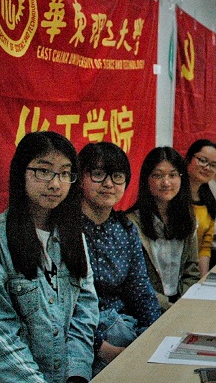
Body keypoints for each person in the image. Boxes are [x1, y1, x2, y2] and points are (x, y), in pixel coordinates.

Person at [0, 131, 98, 382]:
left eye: (65, 173)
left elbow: (85, 311)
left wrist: (77, 375)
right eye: (43, 171)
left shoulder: (73, 236)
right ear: (20, 173)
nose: (55, 184)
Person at [78, 141, 162, 374]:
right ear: (80, 178)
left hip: (123, 327)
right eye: (98, 174)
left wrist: (151, 335)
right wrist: (103, 348)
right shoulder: (65, 230)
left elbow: (141, 289)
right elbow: (64, 308)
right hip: (81, 337)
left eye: (117, 177)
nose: (108, 184)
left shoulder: (125, 229)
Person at [126, 147, 200, 311]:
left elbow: (192, 271)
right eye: (158, 175)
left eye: (172, 175)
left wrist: (181, 304)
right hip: (147, 307)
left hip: (180, 303)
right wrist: (166, 306)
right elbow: (134, 281)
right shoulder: (131, 223)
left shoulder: (189, 219)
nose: (166, 182)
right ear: (147, 179)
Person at [184, 139, 216, 276]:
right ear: (188, 159)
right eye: (203, 161)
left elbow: (205, 246)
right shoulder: (173, 197)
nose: (207, 168)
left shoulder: (209, 201)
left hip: (194, 274)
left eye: (213, 165)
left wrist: (202, 280)